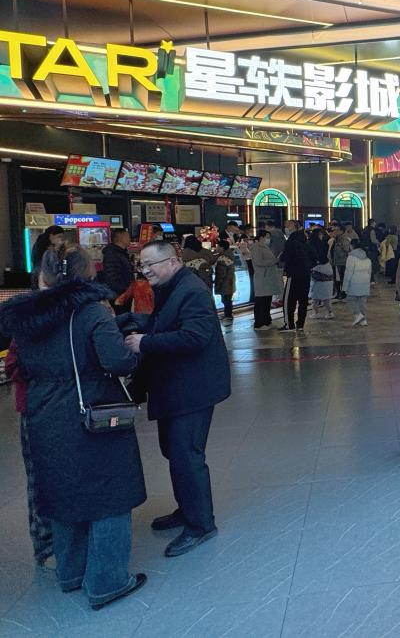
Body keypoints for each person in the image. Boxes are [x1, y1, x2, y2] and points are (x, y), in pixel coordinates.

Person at [0, 245, 147, 609]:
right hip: (89, 411)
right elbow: (118, 361)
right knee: (110, 495)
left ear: (44, 275)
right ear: (87, 274)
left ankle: (70, 573)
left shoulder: (26, 316)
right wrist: (133, 347)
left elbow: (20, 365)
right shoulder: (91, 311)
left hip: (42, 412)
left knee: (61, 491)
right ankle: (107, 581)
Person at [124, 240, 231, 558]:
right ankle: (187, 509)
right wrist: (138, 324)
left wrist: (145, 343)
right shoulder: (172, 287)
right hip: (176, 387)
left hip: (193, 389)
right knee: (174, 451)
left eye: (150, 265)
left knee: (187, 455)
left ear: (172, 261)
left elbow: (195, 337)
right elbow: (167, 324)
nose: (145, 271)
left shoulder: (192, 291)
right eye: (142, 265)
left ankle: (201, 525)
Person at [6, 340, 53, 569]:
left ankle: (53, 540)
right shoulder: (26, 328)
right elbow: (12, 365)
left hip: (51, 405)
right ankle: (45, 541)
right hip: (35, 407)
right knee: (40, 477)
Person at [280, 228, 314, 332]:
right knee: (303, 301)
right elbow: (314, 258)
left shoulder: (291, 244)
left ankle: (289, 325)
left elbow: (284, 257)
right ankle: (300, 325)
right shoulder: (307, 245)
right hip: (306, 276)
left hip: (293, 276)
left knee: (289, 301)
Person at [251, 231, 282, 329]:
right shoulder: (256, 247)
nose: (268, 239)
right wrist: (274, 261)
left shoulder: (265, 247)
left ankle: (267, 321)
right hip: (262, 277)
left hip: (267, 277)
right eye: (267, 237)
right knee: (261, 301)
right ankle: (259, 323)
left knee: (267, 300)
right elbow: (258, 262)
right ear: (261, 237)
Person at [100, 228, 134, 315]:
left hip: (124, 294)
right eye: (128, 236)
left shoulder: (121, 252)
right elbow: (111, 276)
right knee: (121, 317)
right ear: (121, 238)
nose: (130, 239)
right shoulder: (112, 254)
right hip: (118, 295)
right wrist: (124, 291)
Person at [343, 238, 372, 327]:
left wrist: (345, 286)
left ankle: (358, 315)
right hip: (365, 281)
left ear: (352, 246)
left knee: (350, 299)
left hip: (354, 281)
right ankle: (363, 320)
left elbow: (348, 272)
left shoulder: (351, 257)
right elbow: (369, 272)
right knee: (362, 301)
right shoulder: (367, 258)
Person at [309, 228, 335, 319]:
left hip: (316, 269)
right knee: (326, 294)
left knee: (315, 294)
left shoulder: (310, 244)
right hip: (327, 268)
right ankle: (329, 312)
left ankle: (316, 312)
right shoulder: (325, 244)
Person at [30, 225, 66, 290]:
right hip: (46, 280)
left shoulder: (39, 244)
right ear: (51, 235)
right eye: (59, 236)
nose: (60, 239)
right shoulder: (49, 251)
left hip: (38, 276)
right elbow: (54, 267)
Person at [213, 238, 236, 323]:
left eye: (218, 246)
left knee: (226, 299)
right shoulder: (230, 254)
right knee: (227, 298)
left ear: (222, 248)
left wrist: (217, 282)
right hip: (230, 280)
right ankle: (228, 314)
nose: (216, 248)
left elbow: (221, 273)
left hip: (225, 282)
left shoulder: (222, 258)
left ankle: (228, 315)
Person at [328, 224, 349, 300]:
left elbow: (346, 250)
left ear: (341, 231)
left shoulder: (344, 239)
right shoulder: (336, 239)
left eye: (337, 230)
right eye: (334, 230)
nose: (335, 231)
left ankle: (343, 293)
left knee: (342, 278)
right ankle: (338, 293)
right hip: (336, 262)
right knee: (337, 278)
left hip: (342, 262)